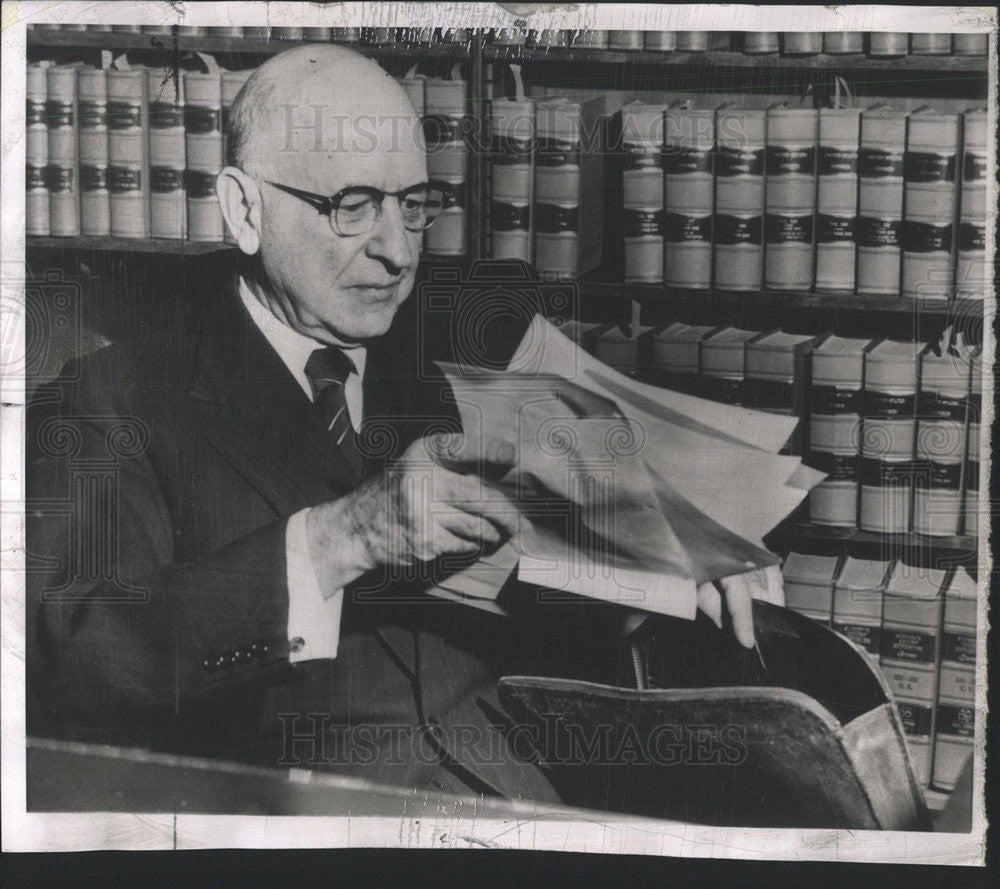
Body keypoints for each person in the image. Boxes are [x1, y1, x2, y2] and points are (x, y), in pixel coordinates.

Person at [26, 45, 766, 805]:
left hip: (522, 792)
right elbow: (70, 663)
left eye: (412, 204)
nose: (398, 251)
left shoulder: (462, 344)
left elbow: (537, 602)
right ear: (246, 209)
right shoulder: (117, 398)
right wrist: (343, 537)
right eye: (352, 206)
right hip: (305, 820)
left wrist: (666, 564)